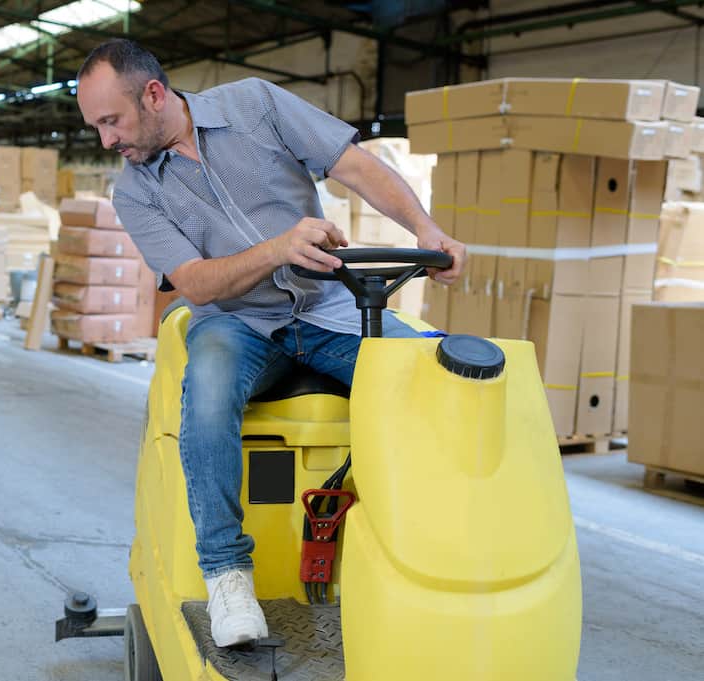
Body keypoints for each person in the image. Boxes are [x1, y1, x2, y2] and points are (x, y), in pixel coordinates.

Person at [75, 39, 465, 648]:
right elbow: (196, 283)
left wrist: (427, 230)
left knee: (431, 382)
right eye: (96, 126)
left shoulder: (256, 105)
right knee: (205, 397)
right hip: (235, 323)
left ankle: (426, 556)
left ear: (152, 95)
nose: (106, 140)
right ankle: (227, 576)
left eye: (110, 121)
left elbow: (354, 166)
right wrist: (280, 248)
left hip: (327, 307)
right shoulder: (135, 191)